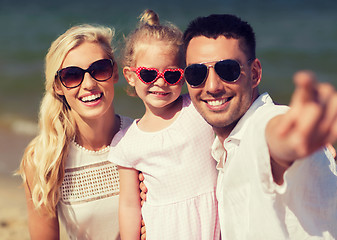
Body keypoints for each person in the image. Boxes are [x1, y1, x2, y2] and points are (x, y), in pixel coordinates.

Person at [181, 14, 337, 239]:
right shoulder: (222, 150)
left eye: (228, 70)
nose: (212, 86)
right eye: (196, 73)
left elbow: (273, 142)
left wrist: (291, 144)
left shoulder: (268, 123)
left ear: (254, 73)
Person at [109, 10, 220, 240]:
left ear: (185, 75)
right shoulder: (128, 142)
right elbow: (130, 205)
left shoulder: (198, 109)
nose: (160, 82)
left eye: (171, 75)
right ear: (130, 76)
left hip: (215, 223)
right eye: (148, 74)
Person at [18, 24, 133, 239]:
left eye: (100, 69)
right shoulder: (43, 158)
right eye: (72, 76)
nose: (89, 84)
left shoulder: (142, 138)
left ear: (115, 72)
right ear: (58, 86)